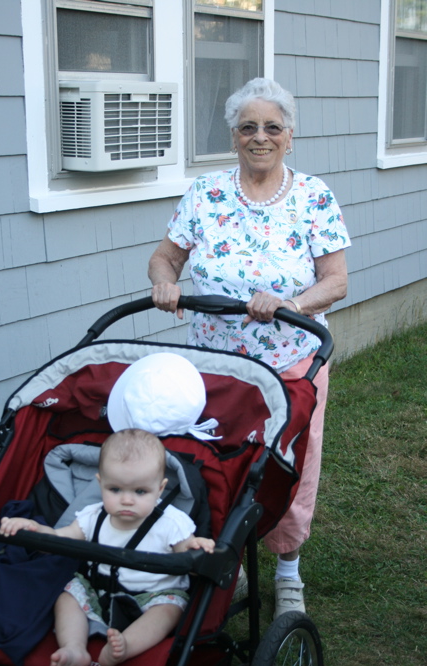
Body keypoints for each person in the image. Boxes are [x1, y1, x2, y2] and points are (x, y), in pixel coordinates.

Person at [148, 77, 350, 618]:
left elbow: (336, 281)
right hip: (217, 365)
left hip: (291, 363)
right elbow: (165, 257)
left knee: (287, 466)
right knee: (218, 459)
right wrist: (165, 283)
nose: (260, 136)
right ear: (233, 136)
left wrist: (290, 303)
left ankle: (287, 571)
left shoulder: (313, 196)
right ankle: (224, 558)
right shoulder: (205, 193)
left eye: (272, 127)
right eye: (248, 127)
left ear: (290, 136)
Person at [0, 428, 215, 666]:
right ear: (100, 483)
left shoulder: (171, 522)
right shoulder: (93, 516)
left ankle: (126, 646)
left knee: (170, 610)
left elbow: (186, 552)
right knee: (67, 595)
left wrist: (197, 546)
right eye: (115, 490)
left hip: (154, 595)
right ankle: (74, 648)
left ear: (160, 489)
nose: (127, 500)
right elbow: (59, 539)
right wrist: (35, 530)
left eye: (140, 492)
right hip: (100, 590)